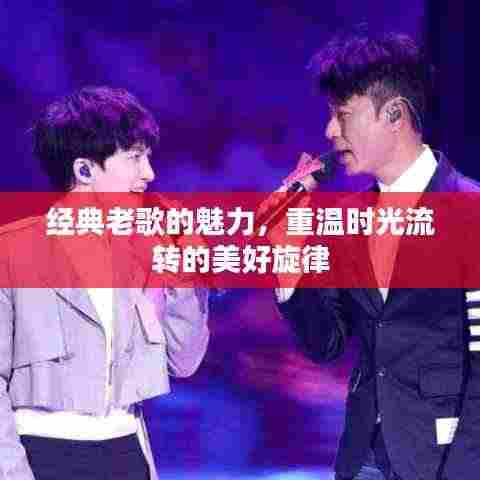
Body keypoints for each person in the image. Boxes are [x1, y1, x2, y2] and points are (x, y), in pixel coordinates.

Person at [275, 28, 480, 479]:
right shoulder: (347, 219)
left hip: (443, 458)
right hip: (364, 456)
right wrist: (289, 255)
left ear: (394, 115)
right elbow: (326, 344)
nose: (330, 131)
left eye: (343, 114)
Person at [0, 86, 209, 479]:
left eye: (148, 157)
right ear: (84, 170)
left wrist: (184, 272)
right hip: (42, 453)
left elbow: (183, 362)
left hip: (126, 451)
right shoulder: (11, 252)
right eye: (134, 157)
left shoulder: (146, 251)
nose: (149, 174)